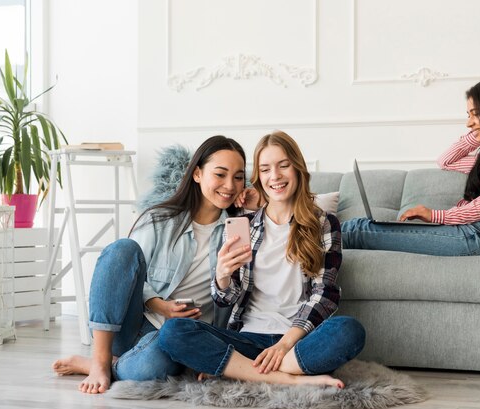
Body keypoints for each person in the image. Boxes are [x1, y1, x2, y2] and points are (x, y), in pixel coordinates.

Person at [158, 131, 366, 388]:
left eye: (283, 166)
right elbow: (225, 299)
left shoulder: (323, 223)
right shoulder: (244, 226)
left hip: (297, 341)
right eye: (265, 169)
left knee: (349, 330)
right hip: (247, 340)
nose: (275, 176)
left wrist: (284, 344)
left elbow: (325, 295)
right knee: (173, 331)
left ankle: (240, 370)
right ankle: (287, 378)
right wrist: (222, 277)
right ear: (258, 178)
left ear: (298, 169)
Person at [52, 135, 247, 394]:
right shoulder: (159, 219)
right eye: (220, 174)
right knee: (122, 249)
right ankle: (99, 361)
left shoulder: (243, 229)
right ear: (198, 174)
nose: (229, 185)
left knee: (156, 365)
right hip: (136, 322)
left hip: (180, 336)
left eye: (238, 177)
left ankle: (107, 365)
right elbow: (126, 273)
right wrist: (159, 304)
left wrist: (259, 203)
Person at [342, 76, 480, 257]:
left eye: (474, 114)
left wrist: (437, 215)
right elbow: (446, 160)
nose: (468, 123)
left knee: (359, 230)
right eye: (468, 115)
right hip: (474, 229)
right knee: (358, 228)